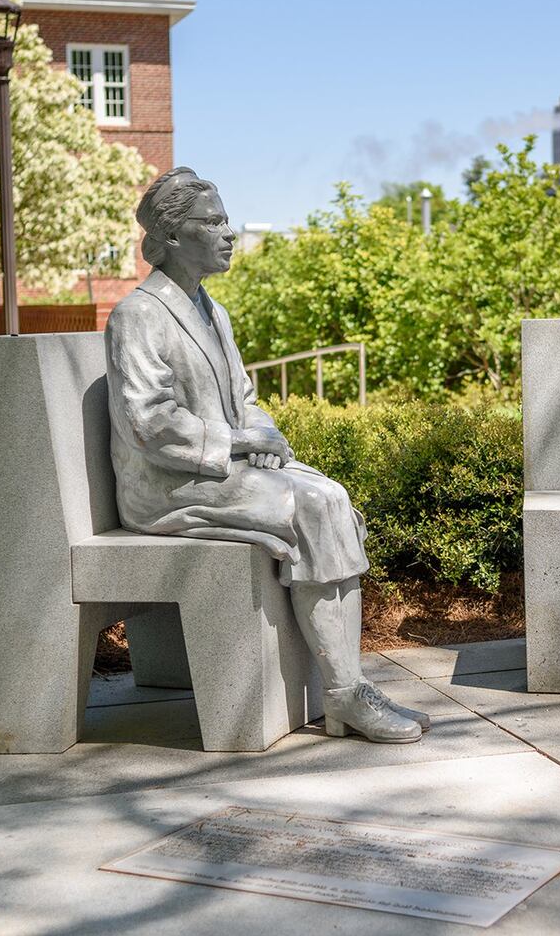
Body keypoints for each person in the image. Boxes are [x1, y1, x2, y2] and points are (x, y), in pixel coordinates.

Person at [105, 167, 429, 744]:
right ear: (174, 236)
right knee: (316, 507)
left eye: (228, 220)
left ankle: (349, 689)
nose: (229, 232)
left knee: (331, 497)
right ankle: (345, 695)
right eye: (215, 221)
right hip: (166, 484)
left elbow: (245, 400)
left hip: (219, 467)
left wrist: (265, 437)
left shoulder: (213, 311)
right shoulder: (139, 315)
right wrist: (242, 443)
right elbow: (148, 423)